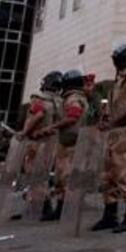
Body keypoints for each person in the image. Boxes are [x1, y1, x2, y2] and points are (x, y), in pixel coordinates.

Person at [89, 39, 126, 233]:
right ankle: (110, 215)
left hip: (125, 131)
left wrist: (112, 121)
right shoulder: (120, 79)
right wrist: (106, 119)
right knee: (109, 175)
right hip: (114, 131)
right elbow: (115, 105)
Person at [35, 68, 92, 221]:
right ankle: (60, 208)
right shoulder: (75, 97)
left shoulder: (73, 98)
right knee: (61, 177)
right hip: (68, 142)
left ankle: (64, 209)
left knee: (66, 177)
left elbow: (73, 117)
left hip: (71, 144)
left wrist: (52, 127)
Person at [18, 71, 63, 219]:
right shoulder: (59, 102)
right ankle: (41, 206)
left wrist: (24, 132)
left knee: (34, 175)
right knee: (43, 175)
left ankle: (43, 207)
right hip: (52, 143)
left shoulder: (40, 99)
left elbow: (37, 115)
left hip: (37, 142)